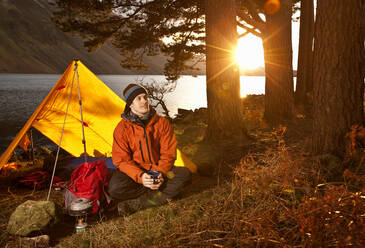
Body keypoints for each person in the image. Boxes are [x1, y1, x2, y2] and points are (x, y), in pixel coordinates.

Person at [108, 83, 192, 215]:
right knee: (115, 188)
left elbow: (169, 153)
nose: (144, 101)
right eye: (139, 99)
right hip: (136, 173)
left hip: (158, 170)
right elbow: (121, 160)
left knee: (184, 175)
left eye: (145, 97)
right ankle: (158, 193)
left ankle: (137, 204)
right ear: (130, 104)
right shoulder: (122, 129)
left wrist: (160, 173)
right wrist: (141, 177)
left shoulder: (162, 122)